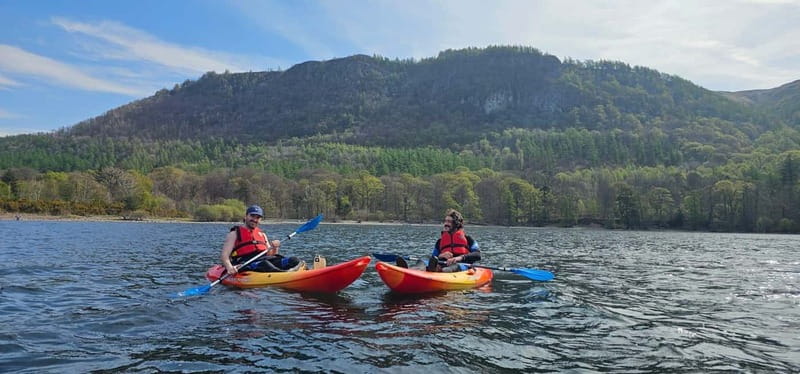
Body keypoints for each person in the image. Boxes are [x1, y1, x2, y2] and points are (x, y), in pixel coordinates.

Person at [220, 205, 301, 274]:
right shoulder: (234, 234)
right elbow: (225, 256)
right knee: (265, 264)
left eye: (258, 217)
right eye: (252, 216)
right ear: (246, 216)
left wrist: (275, 247)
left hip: (266, 260)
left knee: (294, 260)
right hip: (246, 263)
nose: (255, 220)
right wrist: (229, 267)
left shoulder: (262, 234)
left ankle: (289, 273)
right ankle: (285, 275)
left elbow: (271, 255)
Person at [399, 209, 481, 272]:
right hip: (442, 263)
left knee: (451, 267)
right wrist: (441, 256)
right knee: (426, 258)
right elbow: (433, 257)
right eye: (445, 221)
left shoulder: (468, 239)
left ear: (456, 224)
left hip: (460, 265)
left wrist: (458, 258)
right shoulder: (440, 241)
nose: (446, 224)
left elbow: (477, 255)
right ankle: (411, 270)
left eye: (449, 221)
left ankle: (439, 271)